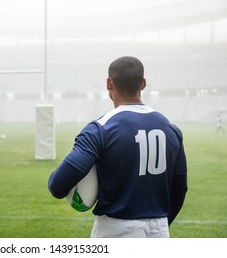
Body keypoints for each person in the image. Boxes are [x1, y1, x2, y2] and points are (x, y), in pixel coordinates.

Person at [48, 56, 188, 238]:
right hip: (160, 229)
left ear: (109, 83)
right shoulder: (171, 129)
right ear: (143, 84)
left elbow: (57, 185)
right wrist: (161, 223)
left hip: (117, 230)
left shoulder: (100, 129)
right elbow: (180, 188)